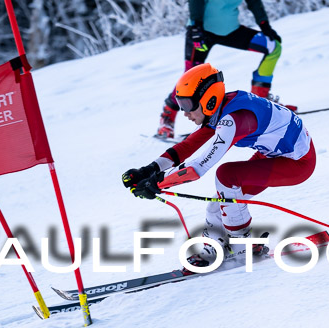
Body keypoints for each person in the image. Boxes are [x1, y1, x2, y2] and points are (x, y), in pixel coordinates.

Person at [124, 63, 316, 267]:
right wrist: (149, 170)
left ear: (208, 99)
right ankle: (214, 249)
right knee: (216, 208)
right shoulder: (221, 108)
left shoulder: (234, 118)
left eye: (188, 105)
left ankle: (243, 246)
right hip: (274, 155)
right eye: (180, 104)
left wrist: (157, 184)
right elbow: (188, 145)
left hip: (297, 163)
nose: (185, 113)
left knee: (227, 175)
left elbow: (198, 167)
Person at [156, 0, 284, 139]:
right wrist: (196, 26)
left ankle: (260, 101)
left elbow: (254, 2)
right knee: (189, 78)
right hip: (201, 31)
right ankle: (167, 118)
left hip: (229, 30)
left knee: (273, 47)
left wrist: (264, 24)